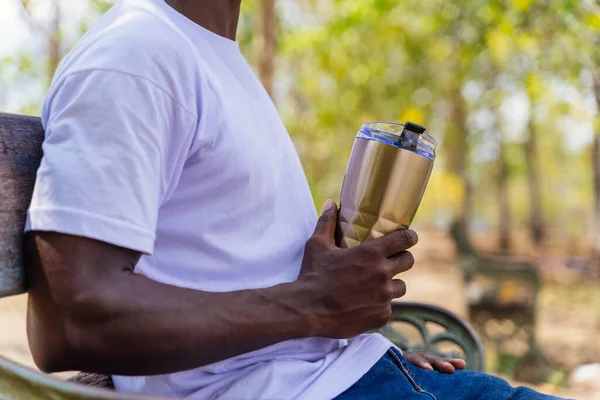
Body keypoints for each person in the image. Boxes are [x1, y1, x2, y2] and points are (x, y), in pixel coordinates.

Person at [24, 0, 563, 399]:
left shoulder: (208, 53)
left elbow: (229, 274)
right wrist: (313, 305)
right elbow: (69, 325)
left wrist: (352, 344)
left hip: (341, 376)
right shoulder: (136, 55)